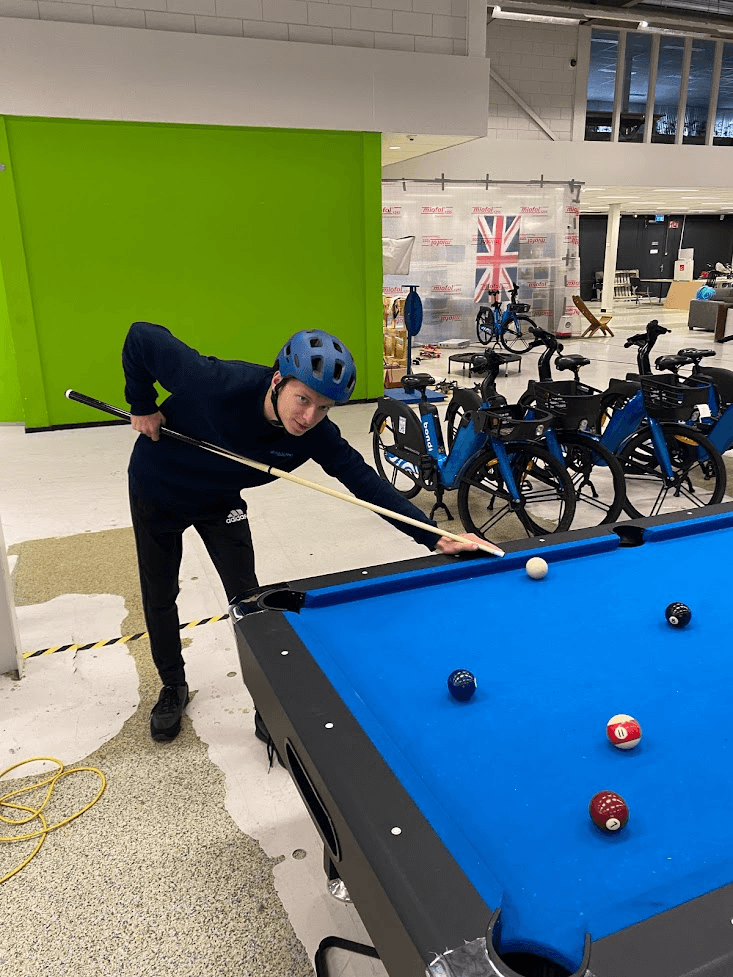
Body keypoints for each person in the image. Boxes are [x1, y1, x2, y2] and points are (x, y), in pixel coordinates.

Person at [123, 322, 482, 744]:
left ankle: (266, 699)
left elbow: (365, 484)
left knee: (248, 599)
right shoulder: (215, 382)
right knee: (160, 592)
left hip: (219, 501)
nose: (309, 417)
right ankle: (172, 685)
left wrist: (433, 536)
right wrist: (143, 404)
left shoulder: (315, 435)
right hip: (158, 488)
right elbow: (141, 337)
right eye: (303, 399)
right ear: (278, 380)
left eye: (324, 408)